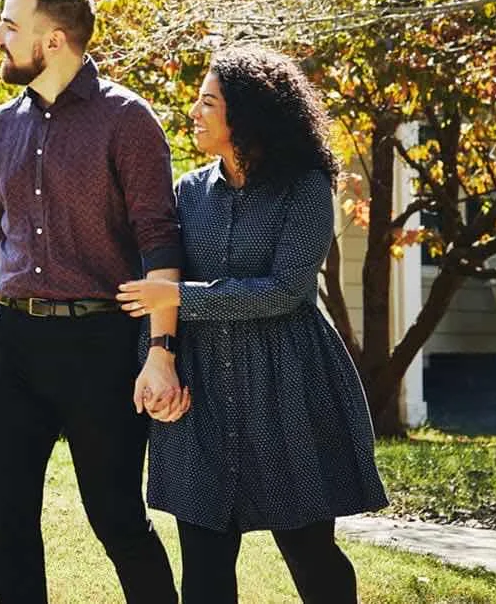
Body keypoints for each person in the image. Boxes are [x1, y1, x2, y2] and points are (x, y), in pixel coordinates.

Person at [117, 44, 388, 604]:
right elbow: (160, 283)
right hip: (202, 391)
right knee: (205, 561)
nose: (194, 111)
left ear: (247, 115)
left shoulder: (307, 186)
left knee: (310, 552)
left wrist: (179, 298)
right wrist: (158, 356)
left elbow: (288, 291)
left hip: (288, 384)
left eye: (208, 101)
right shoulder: (189, 192)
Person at [0, 0, 187, 603]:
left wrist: (161, 354)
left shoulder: (127, 120)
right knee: (6, 526)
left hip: (101, 348)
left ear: (53, 39)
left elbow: (159, 241)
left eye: (10, 24)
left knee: (115, 519)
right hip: (13, 347)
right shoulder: (0, 127)